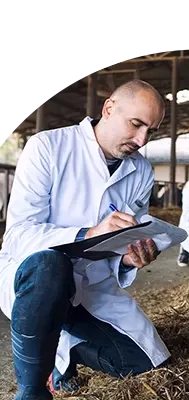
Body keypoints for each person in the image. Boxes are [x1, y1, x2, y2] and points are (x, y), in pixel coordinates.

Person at [0, 79, 172, 399]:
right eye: (136, 124)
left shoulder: (141, 171)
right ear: (108, 109)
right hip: (35, 283)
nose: (142, 139)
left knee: (148, 365)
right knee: (50, 265)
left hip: (94, 286)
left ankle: (63, 349)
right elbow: (17, 235)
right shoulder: (48, 147)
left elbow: (125, 237)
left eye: (151, 130)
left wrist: (128, 256)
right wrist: (87, 234)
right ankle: (32, 389)